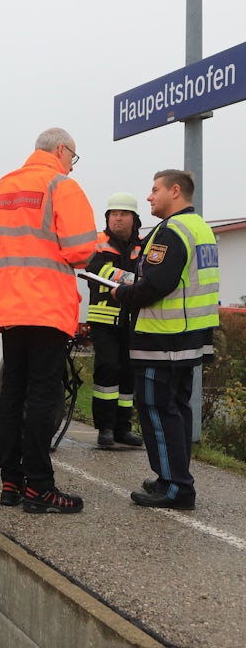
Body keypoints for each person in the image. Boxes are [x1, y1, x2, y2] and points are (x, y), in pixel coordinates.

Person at [0, 127, 97, 514]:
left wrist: (1, 292)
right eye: (73, 158)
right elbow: (81, 250)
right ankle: (40, 488)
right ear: (61, 150)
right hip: (46, 308)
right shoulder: (60, 186)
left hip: (9, 309)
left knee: (12, 394)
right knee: (44, 395)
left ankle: (11, 482)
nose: (72, 166)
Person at [113, 169, 219, 510]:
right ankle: (173, 476)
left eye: (155, 189)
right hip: (190, 337)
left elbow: (155, 285)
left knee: (157, 409)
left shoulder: (171, 230)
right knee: (177, 409)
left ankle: (175, 486)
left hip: (163, 338)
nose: (149, 196)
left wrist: (122, 293)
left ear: (175, 191)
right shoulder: (201, 227)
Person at [85, 192, 144, 448]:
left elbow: (150, 272)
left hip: (133, 320)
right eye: (113, 215)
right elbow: (96, 269)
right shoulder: (97, 242)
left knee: (129, 374)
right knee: (108, 369)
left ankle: (123, 428)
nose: (117, 219)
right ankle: (105, 429)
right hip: (104, 319)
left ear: (134, 218)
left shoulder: (143, 244)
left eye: (123, 214)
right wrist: (133, 280)